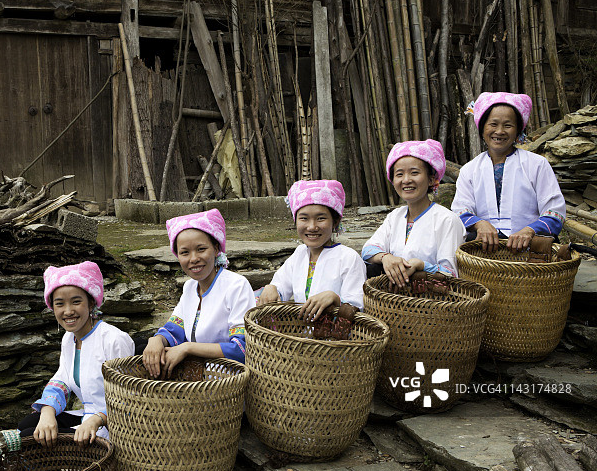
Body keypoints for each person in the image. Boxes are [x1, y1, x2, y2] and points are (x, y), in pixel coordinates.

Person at [18, 261, 134, 446]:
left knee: (30, 438)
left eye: (76, 301)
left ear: (91, 303)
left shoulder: (114, 340)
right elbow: (61, 380)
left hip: (111, 427)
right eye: (60, 304)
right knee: (30, 424)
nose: (68, 311)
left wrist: (97, 420)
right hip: (85, 420)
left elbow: (130, 398)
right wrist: (47, 412)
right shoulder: (68, 339)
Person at [142, 209, 255, 379]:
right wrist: (156, 340)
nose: (193, 258)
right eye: (184, 252)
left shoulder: (236, 286)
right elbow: (175, 329)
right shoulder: (189, 288)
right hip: (196, 382)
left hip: (231, 384)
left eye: (201, 249)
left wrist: (188, 348)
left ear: (216, 248)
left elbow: (242, 348)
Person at [451, 92, 566, 252]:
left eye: (508, 125)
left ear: (518, 130)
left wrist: (529, 230)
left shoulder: (537, 164)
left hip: (530, 251)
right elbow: (459, 211)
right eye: (493, 124)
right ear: (482, 127)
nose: (499, 131)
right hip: (484, 251)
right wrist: (479, 224)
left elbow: (554, 211)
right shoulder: (469, 170)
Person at [361, 139, 465, 287]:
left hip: (433, 302)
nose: (406, 180)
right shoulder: (394, 217)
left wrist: (421, 265)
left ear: (431, 179)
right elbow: (367, 250)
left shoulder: (447, 220)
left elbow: (451, 273)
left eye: (414, 173)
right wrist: (386, 257)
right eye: (399, 174)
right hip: (391, 301)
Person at [257, 179, 366, 313]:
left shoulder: (349, 258)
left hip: (336, 333)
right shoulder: (299, 254)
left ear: (335, 221)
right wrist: (272, 288)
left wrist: (335, 299)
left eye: (321, 218)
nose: (312, 227)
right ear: (295, 221)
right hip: (297, 333)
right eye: (304, 218)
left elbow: (357, 306)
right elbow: (280, 286)